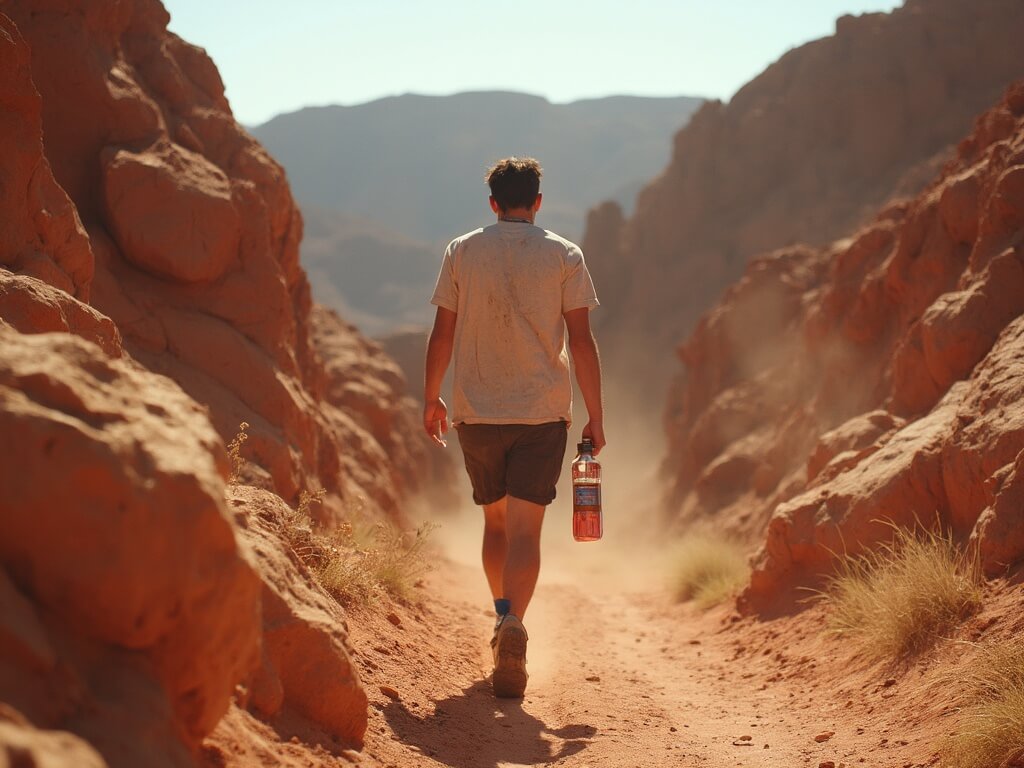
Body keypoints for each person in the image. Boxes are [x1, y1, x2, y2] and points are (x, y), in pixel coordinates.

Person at [423, 156, 605, 698]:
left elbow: (442, 332)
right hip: (541, 415)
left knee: (496, 526)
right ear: (538, 202)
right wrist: (596, 413)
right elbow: (583, 341)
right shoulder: (564, 255)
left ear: (494, 204)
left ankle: (501, 615)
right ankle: (515, 623)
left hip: (476, 412)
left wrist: (431, 396)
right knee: (527, 531)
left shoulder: (462, 251)